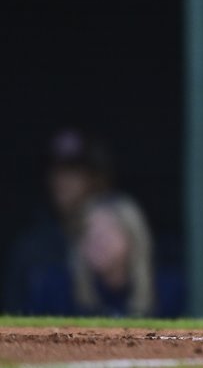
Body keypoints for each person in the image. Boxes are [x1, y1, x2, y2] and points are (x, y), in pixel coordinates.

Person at [3, 129, 112, 314]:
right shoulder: (32, 246)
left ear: (97, 178)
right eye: (57, 171)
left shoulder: (116, 239)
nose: (62, 181)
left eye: (74, 171)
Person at [26, 194, 185, 318]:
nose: (96, 241)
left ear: (133, 238)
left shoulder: (167, 290)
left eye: (107, 231)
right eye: (88, 232)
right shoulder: (57, 289)